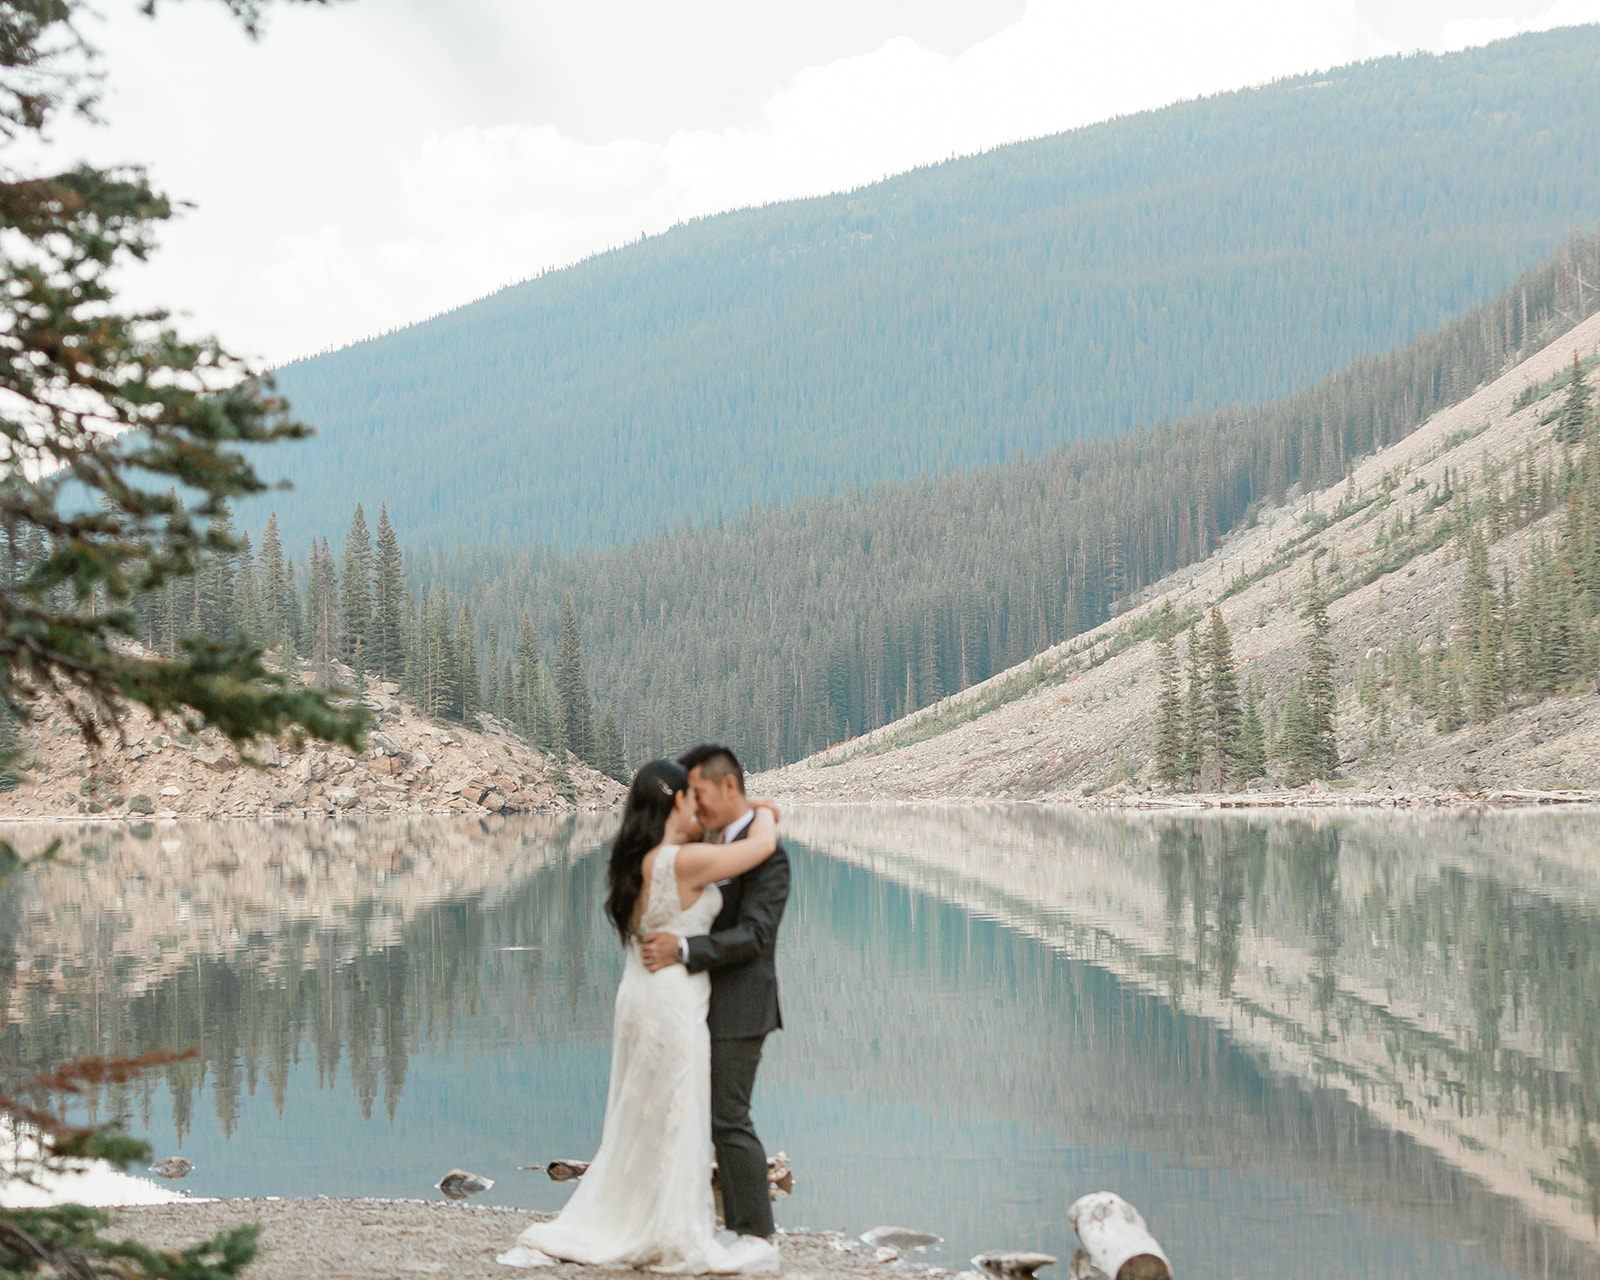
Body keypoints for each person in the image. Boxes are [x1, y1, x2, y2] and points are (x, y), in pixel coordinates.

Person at [498, 759, 781, 1274]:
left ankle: (637, 1211)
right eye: (693, 797)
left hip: (639, 996)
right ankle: (666, 1223)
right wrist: (761, 809)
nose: (702, 806)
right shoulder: (680, 861)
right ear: (677, 802)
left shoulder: (637, 860)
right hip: (671, 1001)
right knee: (676, 1112)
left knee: (641, 1112)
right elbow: (759, 848)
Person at [640, 745, 790, 1270]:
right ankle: (715, 1224)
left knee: (729, 1118)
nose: (696, 807)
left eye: (700, 794)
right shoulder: (709, 841)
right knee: (699, 1116)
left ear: (729, 788)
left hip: (742, 1004)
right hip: (692, 1003)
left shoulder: (767, 853)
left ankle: (757, 1237)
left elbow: (756, 935)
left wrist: (684, 950)